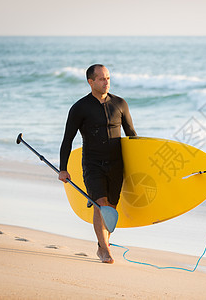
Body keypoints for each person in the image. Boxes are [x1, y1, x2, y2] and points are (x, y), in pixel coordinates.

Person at [58, 64, 137, 263]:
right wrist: (63, 169)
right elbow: (67, 139)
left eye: (108, 78)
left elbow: (132, 136)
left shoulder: (120, 104)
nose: (106, 82)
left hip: (116, 164)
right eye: (101, 79)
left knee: (111, 207)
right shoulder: (80, 108)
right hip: (92, 163)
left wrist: (142, 165)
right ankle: (105, 250)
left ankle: (102, 244)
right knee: (100, 205)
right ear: (90, 82)